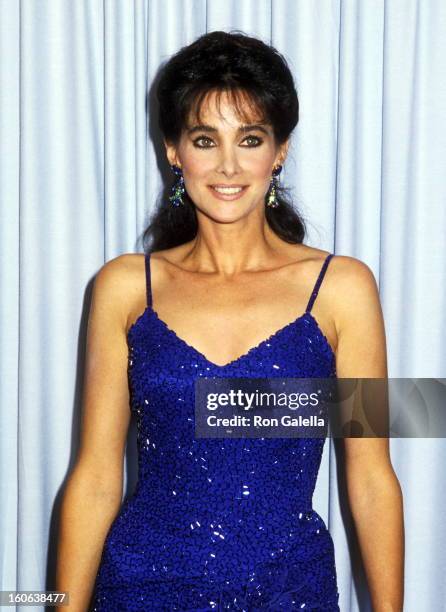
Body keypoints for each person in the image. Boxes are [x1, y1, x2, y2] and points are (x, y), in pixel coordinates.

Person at [56, 31, 404, 611]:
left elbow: (370, 478)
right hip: (141, 589)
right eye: (203, 139)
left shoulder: (341, 289)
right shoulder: (125, 287)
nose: (227, 166)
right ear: (173, 150)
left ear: (280, 150)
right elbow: (93, 477)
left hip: (289, 590)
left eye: (249, 139)